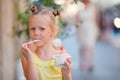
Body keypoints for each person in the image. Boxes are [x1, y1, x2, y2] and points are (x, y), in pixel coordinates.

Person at [21, 5, 72, 80]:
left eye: (42, 29)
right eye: (32, 29)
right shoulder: (26, 58)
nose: (36, 33)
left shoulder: (61, 57)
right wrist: (30, 58)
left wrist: (67, 75)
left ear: (54, 31)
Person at [75, 0, 99, 71]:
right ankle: (82, 62)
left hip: (91, 29)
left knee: (90, 46)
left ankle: (90, 63)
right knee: (82, 47)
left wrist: (98, 30)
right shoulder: (80, 9)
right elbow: (77, 21)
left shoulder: (93, 9)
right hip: (82, 30)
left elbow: (96, 20)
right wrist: (77, 31)